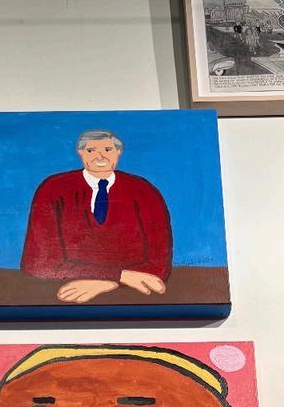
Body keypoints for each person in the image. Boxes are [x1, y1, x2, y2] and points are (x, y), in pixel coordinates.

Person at [20, 128, 172, 305]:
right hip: (63, 299)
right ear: (80, 153)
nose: (100, 157)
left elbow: (159, 264)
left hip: (130, 300)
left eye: (107, 150)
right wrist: (119, 276)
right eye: (91, 150)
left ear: (119, 152)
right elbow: (38, 263)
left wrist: (105, 283)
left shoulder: (145, 192)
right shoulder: (52, 190)